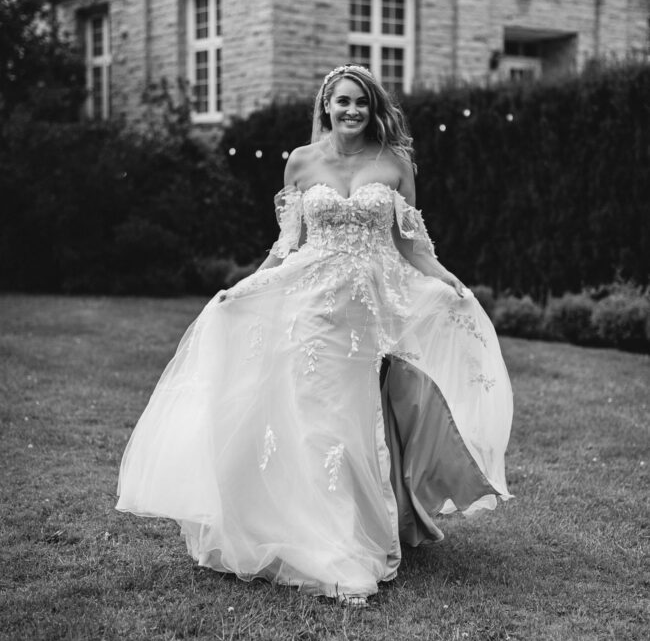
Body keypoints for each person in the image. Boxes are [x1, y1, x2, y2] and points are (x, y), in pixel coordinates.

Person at [116, 64, 512, 606]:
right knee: (315, 423)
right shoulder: (301, 162)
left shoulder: (394, 163)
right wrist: (245, 287)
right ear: (326, 105)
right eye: (343, 101)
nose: (352, 110)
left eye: (362, 103)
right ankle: (322, 545)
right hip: (308, 310)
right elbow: (288, 246)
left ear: (373, 109)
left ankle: (351, 536)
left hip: (365, 317)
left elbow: (410, 245)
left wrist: (448, 280)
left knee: (353, 425)